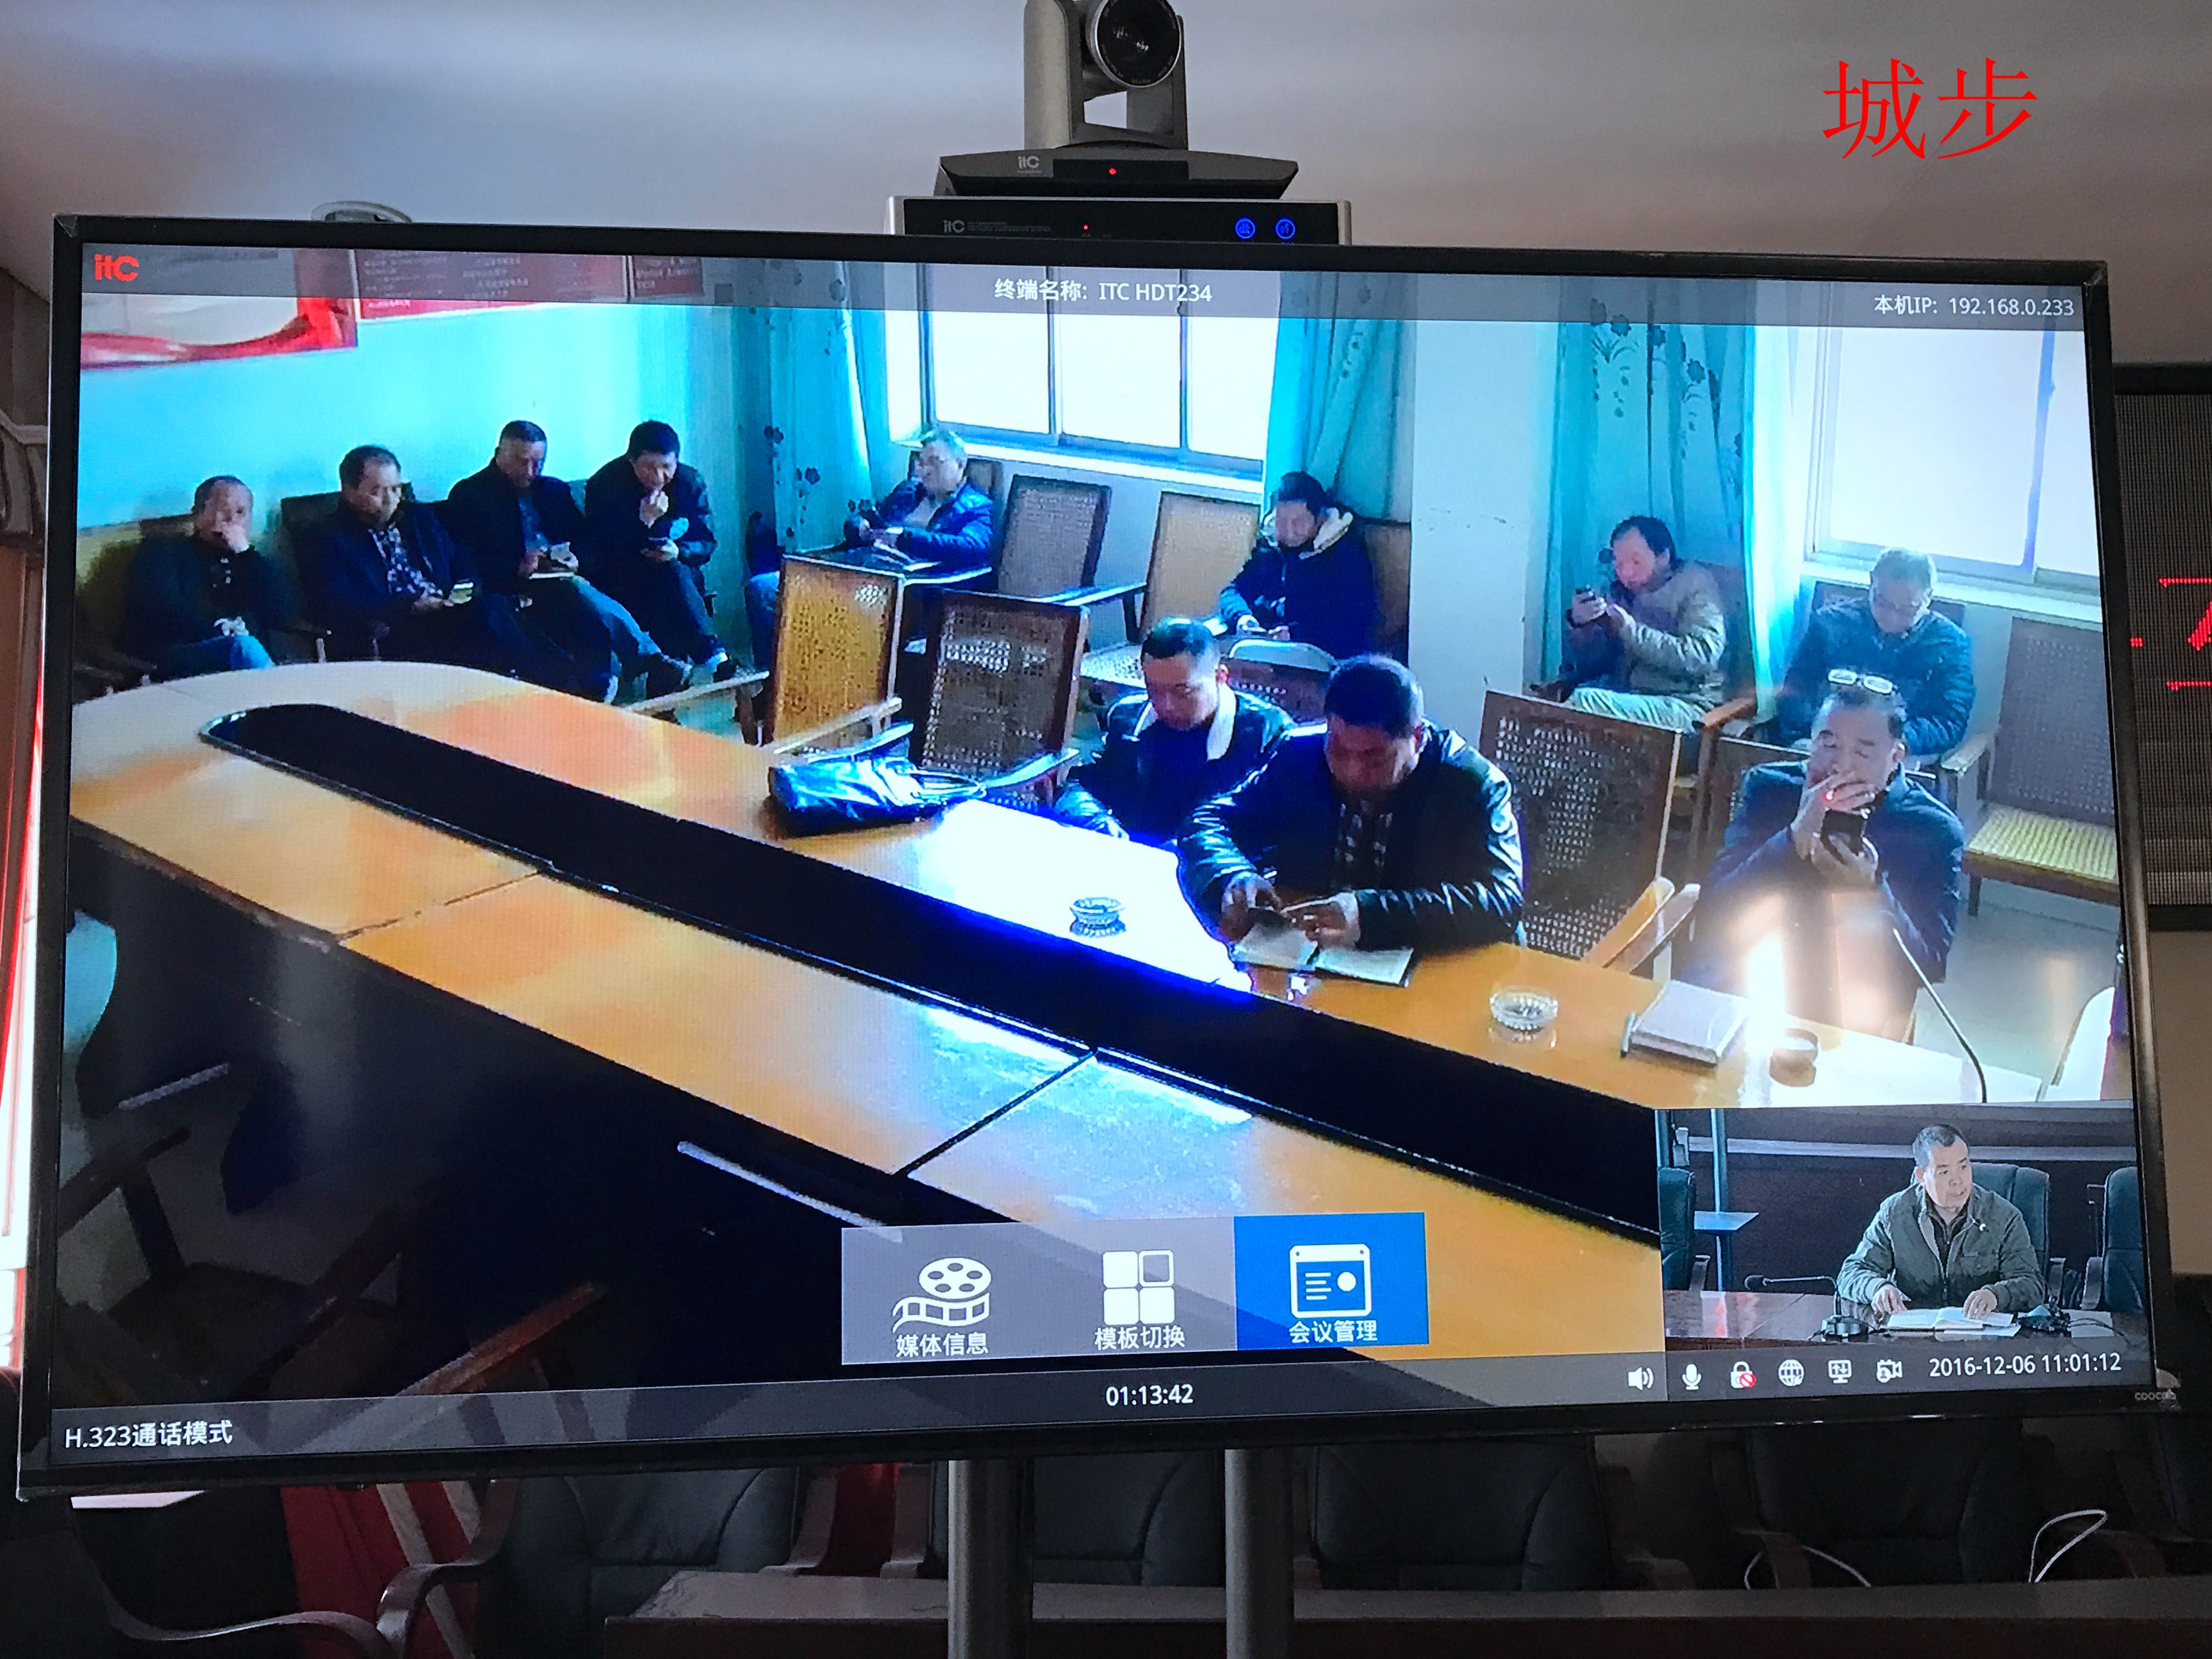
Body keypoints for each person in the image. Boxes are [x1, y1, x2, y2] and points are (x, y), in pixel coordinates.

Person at [1178, 656, 1523, 953]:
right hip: (1311, 960)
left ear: (1417, 738)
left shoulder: (1471, 784)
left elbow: (1501, 899)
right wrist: (1232, 874)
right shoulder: (1299, 756)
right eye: (1339, 750)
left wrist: (1368, 915)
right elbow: (1209, 820)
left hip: (1431, 963)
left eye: (1374, 757)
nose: (1352, 772)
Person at [1679, 682, 1966, 1037]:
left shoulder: (1932, 830)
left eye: (1863, 752)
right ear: (1811, 743)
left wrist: (1870, 892)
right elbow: (1714, 910)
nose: (1840, 766)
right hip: (1746, 973)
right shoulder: (1770, 789)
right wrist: (1791, 839)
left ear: (1896, 756)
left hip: (1849, 999)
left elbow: (1928, 964)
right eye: (1829, 745)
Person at [442, 421, 689, 701]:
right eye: (522, 461)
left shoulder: (553, 491)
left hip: (559, 576)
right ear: (499, 454)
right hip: (510, 584)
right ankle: (646, 661)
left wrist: (575, 558)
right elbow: (463, 561)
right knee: (575, 590)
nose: (531, 471)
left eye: (538, 462)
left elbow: (585, 539)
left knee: (581, 586)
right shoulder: (470, 495)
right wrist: (517, 567)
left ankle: (611, 676)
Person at [304, 445, 572, 687]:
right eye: (377, 491)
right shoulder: (328, 537)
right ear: (349, 491)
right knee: (493, 614)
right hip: (396, 627)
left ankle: (552, 682)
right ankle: (556, 684)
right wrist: (409, 605)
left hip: (446, 611)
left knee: (499, 608)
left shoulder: (419, 519)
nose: (390, 500)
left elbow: (461, 564)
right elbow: (333, 603)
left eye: (396, 489)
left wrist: (463, 591)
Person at [742, 424, 996, 668]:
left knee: (815, 608)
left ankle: (814, 677)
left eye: (935, 462)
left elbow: (974, 547)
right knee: (761, 588)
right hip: (855, 569)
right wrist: (859, 526)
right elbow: (871, 518)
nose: (925, 470)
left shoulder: (975, 507)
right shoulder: (908, 492)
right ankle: (778, 678)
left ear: (960, 464)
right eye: (921, 462)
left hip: (899, 590)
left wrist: (905, 538)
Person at [1054, 618, 1290, 847]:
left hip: (1215, 865)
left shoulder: (1268, 734)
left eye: (1183, 692)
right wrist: (1095, 822)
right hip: (1134, 856)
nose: (1165, 705)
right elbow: (1078, 783)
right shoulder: (1128, 719)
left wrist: (1193, 853)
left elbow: (1275, 833)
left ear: (1220, 677)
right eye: (1153, 689)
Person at [1776, 549, 1975, 759]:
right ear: (1872, 581)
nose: (1891, 617)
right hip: (1823, 742)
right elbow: (1795, 692)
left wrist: (1893, 739)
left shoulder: (1950, 644)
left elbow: (1950, 722)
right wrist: (1821, 732)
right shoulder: (1830, 623)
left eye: (1907, 610)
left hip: (1899, 752)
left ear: (1928, 598)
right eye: (1881, 602)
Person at [1836, 1124, 2045, 1318]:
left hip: (1980, 1335)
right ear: (1921, 1176)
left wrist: (1996, 1295)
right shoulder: (1895, 1213)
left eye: (1963, 1167)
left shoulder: (2003, 1216)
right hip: (1914, 1334)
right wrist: (1877, 1288)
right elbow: (1851, 1273)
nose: (1958, 1181)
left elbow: (2033, 1285)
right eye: (1944, 1172)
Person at [1556, 514, 1727, 731]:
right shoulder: (1617, 590)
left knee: (1586, 703)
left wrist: (1631, 631)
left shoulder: (1695, 584)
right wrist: (1581, 624)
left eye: (1636, 562)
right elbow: (1592, 666)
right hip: (1628, 694)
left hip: (1685, 703)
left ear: (1663, 557)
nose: (1626, 573)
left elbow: (1702, 655)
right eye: (1619, 564)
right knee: (1554, 700)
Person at [579, 420, 724, 674]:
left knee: (671, 570)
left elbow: (706, 542)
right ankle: (712, 657)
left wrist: (679, 551)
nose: (658, 478)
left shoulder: (689, 483)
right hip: (624, 577)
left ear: (677, 461)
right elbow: (600, 550)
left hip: (679, 577)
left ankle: (674, 673)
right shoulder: (604, 485)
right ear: (631, 461)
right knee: (668, 579)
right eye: (648, 468)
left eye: (667, 467)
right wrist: (643, 523)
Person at [120, 476, 290, 678]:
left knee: (250, 649)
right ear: (198, 514)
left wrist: (246, 554)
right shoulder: (163, 553)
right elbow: (161, 611)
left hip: (245, 664)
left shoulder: (251, 561)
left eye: (241, 513)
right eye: (224, 511)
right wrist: (221, 631)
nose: (232, 520)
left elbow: (282, 613)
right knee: (242, 647)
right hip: (186, 653)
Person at [1217, 471, 1378, 662]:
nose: (1289, 532)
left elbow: (1355, 619)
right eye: (1281, 522)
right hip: (1265, 644)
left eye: (1298, 523)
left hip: (1321, 651)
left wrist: (1295, 633)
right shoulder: (1271, 545)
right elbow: (1235, 590)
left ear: (1320, 518)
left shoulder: (1346, 552)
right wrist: (1242, 618)